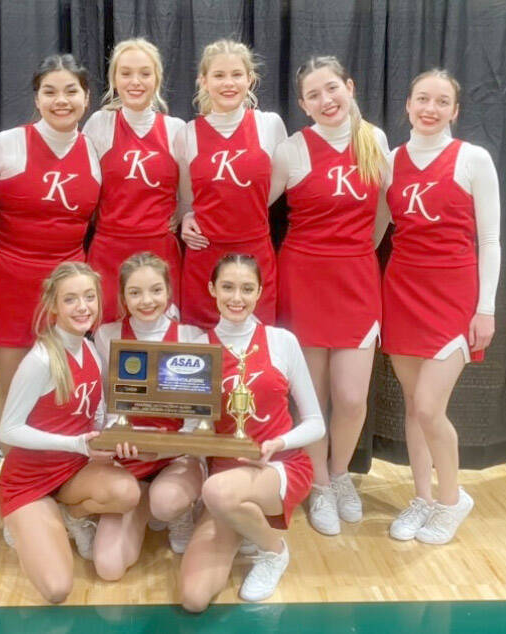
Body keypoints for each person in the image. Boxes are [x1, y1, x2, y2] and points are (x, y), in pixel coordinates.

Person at [270, 56, 390, 536]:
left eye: (332, 89)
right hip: (302, 280)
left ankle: (340, 474)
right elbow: (248, 209)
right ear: (302, 104)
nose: (326, 100)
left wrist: (354, 251)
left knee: (352, 397)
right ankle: (318, 484)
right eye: (314, 95)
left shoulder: (374, 140)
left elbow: (384, 216)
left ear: (349, 86)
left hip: (357, 279)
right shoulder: (292, 150)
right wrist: (191, 216)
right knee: (312, 399)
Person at [382, 69, 500, 544]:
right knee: (414, 407)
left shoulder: (473, 159)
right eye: (422, 99)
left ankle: (451, 500)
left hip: (452, 296)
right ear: (407, 105)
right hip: (401, 291)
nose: (430, 108)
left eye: (441, 101)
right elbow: (376, 231)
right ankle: (423, 498)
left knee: (431, 408)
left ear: (455, 110)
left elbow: (490, 240)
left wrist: (485, 308)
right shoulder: (391, 160)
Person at [178, 254, 324, 610]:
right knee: (194, 598)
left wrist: (278, 443)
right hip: (224, 480)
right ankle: (243, 524)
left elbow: (316, 424)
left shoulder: (281, 341)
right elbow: (189, 427)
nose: (236, 298)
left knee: (218, 490)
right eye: (227, 287)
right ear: (212, 289)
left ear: (260, 292)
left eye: (247, 288)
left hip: (280, 468)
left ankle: (273, 551)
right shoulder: (198, 350)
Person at [0, 262, 141, 603]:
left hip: (73, 472)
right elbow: (10, 429)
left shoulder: (89, 346)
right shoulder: (41, 360)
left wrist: (115, 435)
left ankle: (70, 515)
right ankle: (22, 523)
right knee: (58, 589)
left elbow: (99, 413)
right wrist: (76, 444)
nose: (83, 307)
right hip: (29, 482)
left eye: (89, 297)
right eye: (71, 299)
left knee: (127, 493)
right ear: (53, 306)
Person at [0, 54, 101, 447]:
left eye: (71, 91)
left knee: (64, 387)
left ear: (87, 98)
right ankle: (11, 475)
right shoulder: (6, 144)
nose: (60, 100)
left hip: (69, 292)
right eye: (49, 92)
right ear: (36, 98)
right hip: (9, 283)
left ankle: (61, 472)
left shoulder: (96, 150)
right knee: (13, 389)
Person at [92, 253, 206, 579]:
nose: (146, 301)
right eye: (135, 292)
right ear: (123, 296)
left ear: (169, 292)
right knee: (109, 568)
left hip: (176, 456)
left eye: (156, 290)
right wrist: (116, 436)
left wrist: (165, 448)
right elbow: (103, 404)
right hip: (127, 457)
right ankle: (140, 499)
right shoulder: (106, 335)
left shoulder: (191, 337)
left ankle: (177, 512)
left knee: (167, 502)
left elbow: (198, 420)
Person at [176, 39, 287, 329]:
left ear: (250, 79)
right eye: (219, 75)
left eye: (237, 75)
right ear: (203, 80)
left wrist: (246, 213)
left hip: (255, 256)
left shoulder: (270, 125)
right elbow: (187, 198)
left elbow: (274, 190)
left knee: (256, 353)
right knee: (202, 357)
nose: (229, 83)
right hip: (204, 259)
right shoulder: (187, 133)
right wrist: (187, 216)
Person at [83, 38, 185, 320]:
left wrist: (180, 213)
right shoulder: (100, 124)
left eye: (144, 73)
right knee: (108, 339)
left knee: (158, 341)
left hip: (159, 252)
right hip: (109, 250)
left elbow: (189, 190)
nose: (135, 81)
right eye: (125, 73)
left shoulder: (176, 129)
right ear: (114, 79)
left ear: (157, 78)